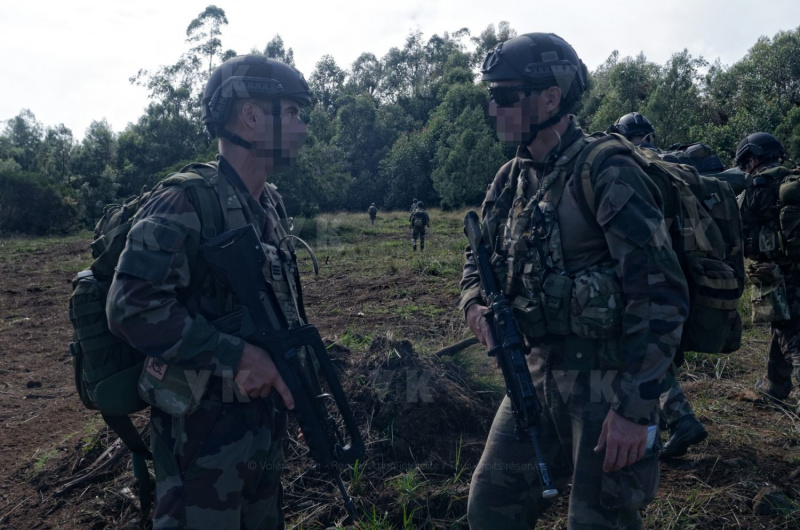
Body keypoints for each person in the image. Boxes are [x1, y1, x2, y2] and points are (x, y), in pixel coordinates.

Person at [460, 33, 689, 528]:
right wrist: (474, 305)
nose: (493, 108)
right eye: (490, 96)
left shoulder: (607, 171)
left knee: (598, 521)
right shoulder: (509, 179)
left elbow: (660, 296)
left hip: (606, 385)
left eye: (505, 96)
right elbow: (476, 262)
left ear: (550, 97)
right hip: (533, 376)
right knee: (489, 508)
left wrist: (634, 409)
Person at [107, 54, 312, 529]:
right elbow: (129, 307)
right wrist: (237, 355)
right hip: (200, 433)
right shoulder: (184, 200)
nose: (303, 127)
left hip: (261, 426)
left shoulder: (270, 202)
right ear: (252, 116)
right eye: (293, 113)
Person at [610, 112, 709, 458]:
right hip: (681, 273)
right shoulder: (672, 169)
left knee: (640, 356)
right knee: (657, 354)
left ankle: (666, 428)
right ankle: (677, 420)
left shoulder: (632, 166)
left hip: (644, 276)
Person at [737, 133, 800, 405]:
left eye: (745, 164)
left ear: (752, 159)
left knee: (791, 330)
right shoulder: (791, 180)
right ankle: (775, 385)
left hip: (783, 274)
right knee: (783, 324)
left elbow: (738, 237)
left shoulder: (754, 189)